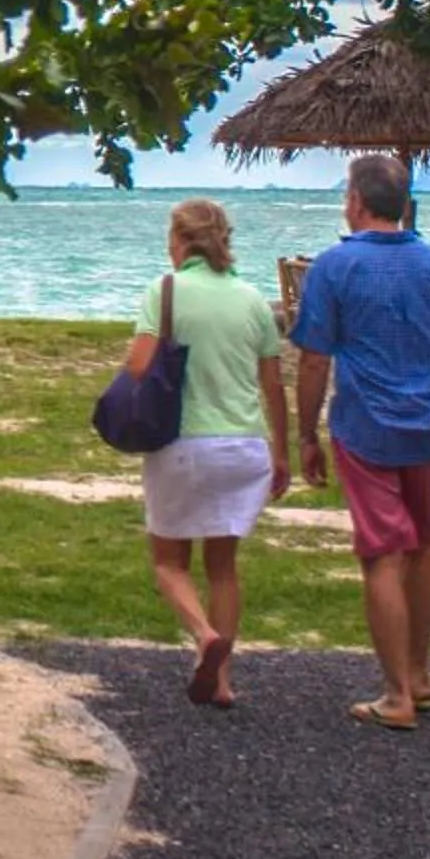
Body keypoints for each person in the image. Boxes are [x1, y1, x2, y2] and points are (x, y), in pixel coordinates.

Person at [290, 153, 430, 731]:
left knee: (382, 553)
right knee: (422, 547)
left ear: (357, 202)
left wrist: (304, 433)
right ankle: (417, 674)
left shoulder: (334, 267)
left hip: (367, 430)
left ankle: (396, 695)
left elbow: (314, 359)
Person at [119, 198, 290, 709]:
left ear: (179, 240)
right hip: (244, 447)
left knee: (169, 561)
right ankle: (221, 680)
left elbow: (138, 363)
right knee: (223, 567)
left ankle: (203, 636)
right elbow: (272, 385)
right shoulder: (253, 298)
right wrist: (282, 453)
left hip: (183, 443)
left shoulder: (164, 291)